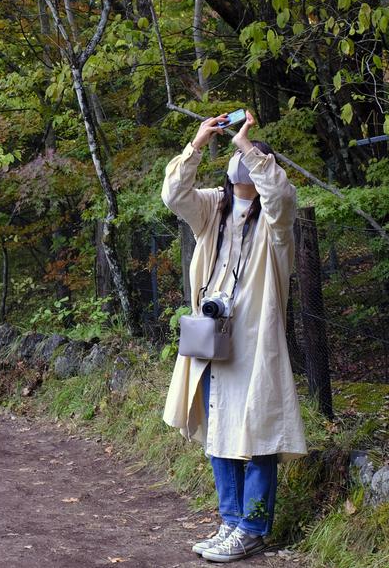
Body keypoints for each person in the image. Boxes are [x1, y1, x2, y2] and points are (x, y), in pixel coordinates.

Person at [160, 111, 307, 563]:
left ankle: (253, 527)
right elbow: (173, 195)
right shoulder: (213, 210)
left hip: (254, 343)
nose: (244, 163)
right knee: (219, 432)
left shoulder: (276, 226)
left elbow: (280, 196)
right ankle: (230, 522)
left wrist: (248, 146)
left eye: (255, 160)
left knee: (257, 436)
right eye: (240, 158)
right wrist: (198, 144)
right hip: (210, 340)